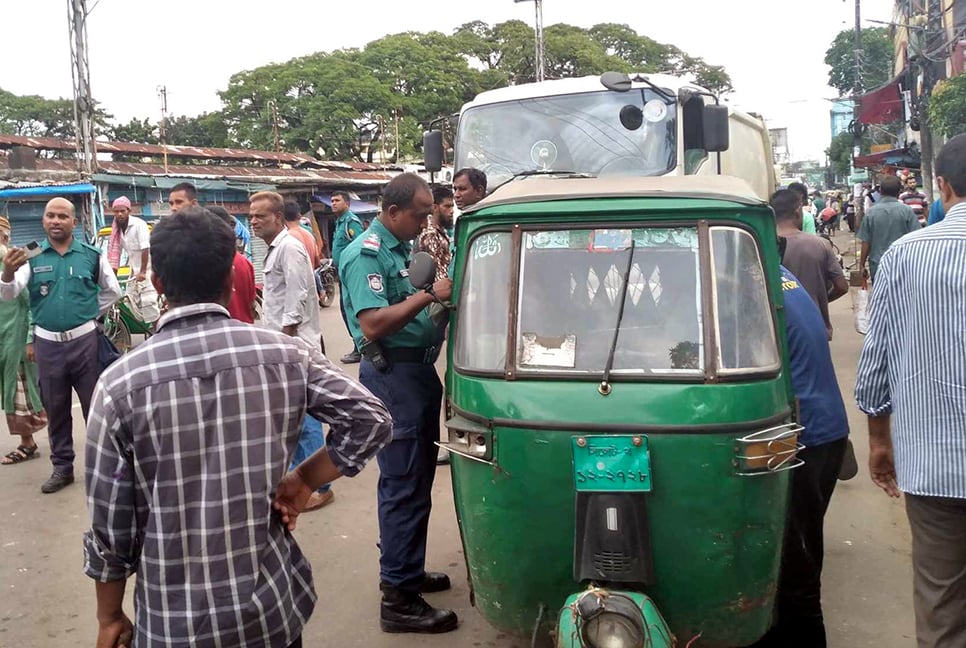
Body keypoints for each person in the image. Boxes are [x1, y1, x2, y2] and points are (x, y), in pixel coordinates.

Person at [82, 207, 392, 648]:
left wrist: (109, 615)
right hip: (269, 611)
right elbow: (371, 420)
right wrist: (305, 478)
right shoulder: (286, 356)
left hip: (175, 622)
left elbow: (111, 528)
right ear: (232, 277)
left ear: (158, 284)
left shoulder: (119, 385)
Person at [854, 133, 966, 648]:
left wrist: (880, 440)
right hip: (934, 462)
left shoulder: (906, 255)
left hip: (935, 464)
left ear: (941, 185)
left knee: (942, 604)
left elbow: (878, 361)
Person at [339, 173, 458, 634]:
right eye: (419, 212)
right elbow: (371, 324)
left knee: (418, 479)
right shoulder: (364, 252)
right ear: (392, 211)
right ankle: (399, 599)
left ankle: (407, 571)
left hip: (415, 373)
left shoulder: (401, 247)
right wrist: (430, 296)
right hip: (393, 375)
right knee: (403, 482)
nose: (425, 219)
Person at [751, 262, 849, 648]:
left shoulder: (747, 286)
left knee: (792, 565)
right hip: (824, 427)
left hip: (801, 433)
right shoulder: (776, 273)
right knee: (803, 550)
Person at [0, 197, 121, 493]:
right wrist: (6, 273)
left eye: (62, 216)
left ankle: (102, 469)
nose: (55, 221)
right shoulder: (30, 255)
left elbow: (112, 291)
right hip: (48, 345)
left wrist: (89, 314)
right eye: (50, 216)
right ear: (43, 221)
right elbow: (10, 294)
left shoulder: (92, 255)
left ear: (74, 223)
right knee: (56, 409)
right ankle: (62, 468)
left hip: (85, 344)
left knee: (94, 410)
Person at [252, 191, 333, 510]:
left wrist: (284, 342)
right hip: (282, 346)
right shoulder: (274, 250)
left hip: (294, 347)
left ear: (277, 216)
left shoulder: (290, 248)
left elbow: (297, 299)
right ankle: (298, 477)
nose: (254, 220)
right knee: (292, 417)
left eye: (260, 215)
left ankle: (321, 486)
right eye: (251, 214)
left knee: (304, 417)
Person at [0, 217, 48, 465]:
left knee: (21, 389)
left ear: (5, 238)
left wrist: (30, 338)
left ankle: (27, 443)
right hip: (2, 337)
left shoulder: (17, 262)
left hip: (17, 336)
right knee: (9, 390)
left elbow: (32, 304)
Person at [769, 190, 848, 339]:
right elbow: (842, 286)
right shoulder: (821, 245)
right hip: (814, 328)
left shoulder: (762, 245)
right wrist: (821, 299)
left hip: (775, 331)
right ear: (798, 211)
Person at [856, 175, 921, 282]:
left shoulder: (871, 213)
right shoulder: (907, 211)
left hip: (878, 265)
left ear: (880, 190)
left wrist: (862, 265)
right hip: (902, 265)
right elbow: (916, 239)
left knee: (880, 297)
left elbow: (866, 242)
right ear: (899, 191)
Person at [106, 196, 159, 323]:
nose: (119, 214)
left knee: (149, 304)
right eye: (116, 211)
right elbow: (115, 255)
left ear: (129, 211)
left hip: (148, 270)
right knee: (129, 301)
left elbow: (145, 248)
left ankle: (158, 332)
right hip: (134, 271)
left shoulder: (139, 225)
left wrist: (142, 272)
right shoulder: (117, 230)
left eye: (122, 211)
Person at [330, 191, 365, 364]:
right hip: (342, 273)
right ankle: (358, 346)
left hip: (351, 274)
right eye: (332, 201)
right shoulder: (339, 223)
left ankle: (361, 348)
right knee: (346, 310)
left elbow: (359, 246)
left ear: (347, 204)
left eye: (337, 200)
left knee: (352, 310)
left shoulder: (351, 222)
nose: (333, 203)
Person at [208, 206, 257, 324]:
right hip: (246, 331)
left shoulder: (209, 262)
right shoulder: (245, 262)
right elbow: (251, 304)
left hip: (223, 333)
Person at [417, 186, 455, 283]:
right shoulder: (430, 234)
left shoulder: (441, 230)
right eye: (447, 206)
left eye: (452, 206)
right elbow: (436, 273)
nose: (452, 211)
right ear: (435, 207)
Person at [284, 200, 320, 269]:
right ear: (299, 215)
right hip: (310, 277)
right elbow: (317, 262)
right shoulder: (310, 235)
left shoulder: (287, 238)